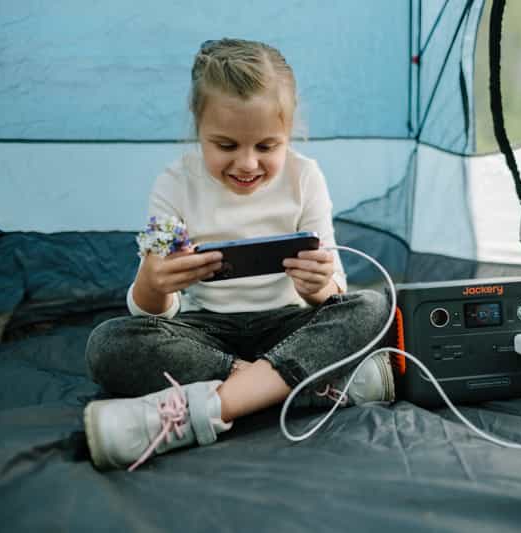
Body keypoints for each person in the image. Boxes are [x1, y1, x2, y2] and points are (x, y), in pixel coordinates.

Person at [83, 38, 394, 471]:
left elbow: (334, 291)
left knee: (373, 307)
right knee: (108, 344)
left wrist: (319, 287)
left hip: (287, 326)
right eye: (226, 146)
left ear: (289, 133)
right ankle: (308, 387)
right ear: (198, 127)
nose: (247, 164)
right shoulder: (175, 184)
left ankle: (208, 409)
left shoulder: (305, 177)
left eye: (266, 147)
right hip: (207, 336)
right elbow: (150, 313)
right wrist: (154, 283)